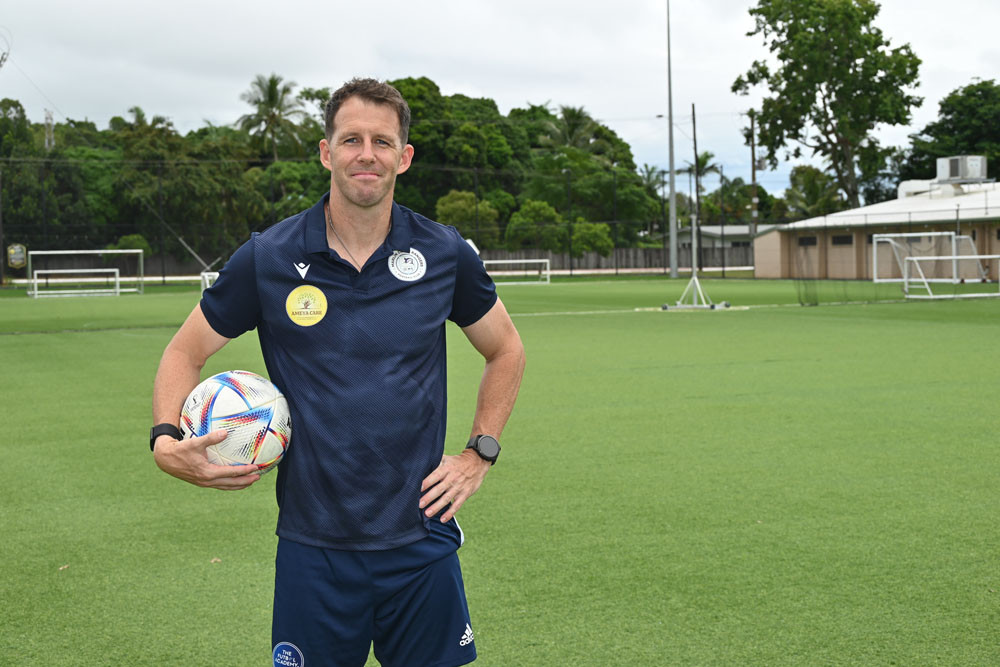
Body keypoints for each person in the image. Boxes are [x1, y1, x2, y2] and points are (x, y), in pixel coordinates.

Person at [149, 77, 525, 667]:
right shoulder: (269, 257)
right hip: (313, 546)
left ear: (403, 158)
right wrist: (165, 440)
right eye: (351, 139)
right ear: (327, 152)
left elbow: (506, 349)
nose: (366, 154)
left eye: (382, 141)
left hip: (420, 541)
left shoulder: (444, 254)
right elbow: (183, 352)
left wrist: (480, 452)